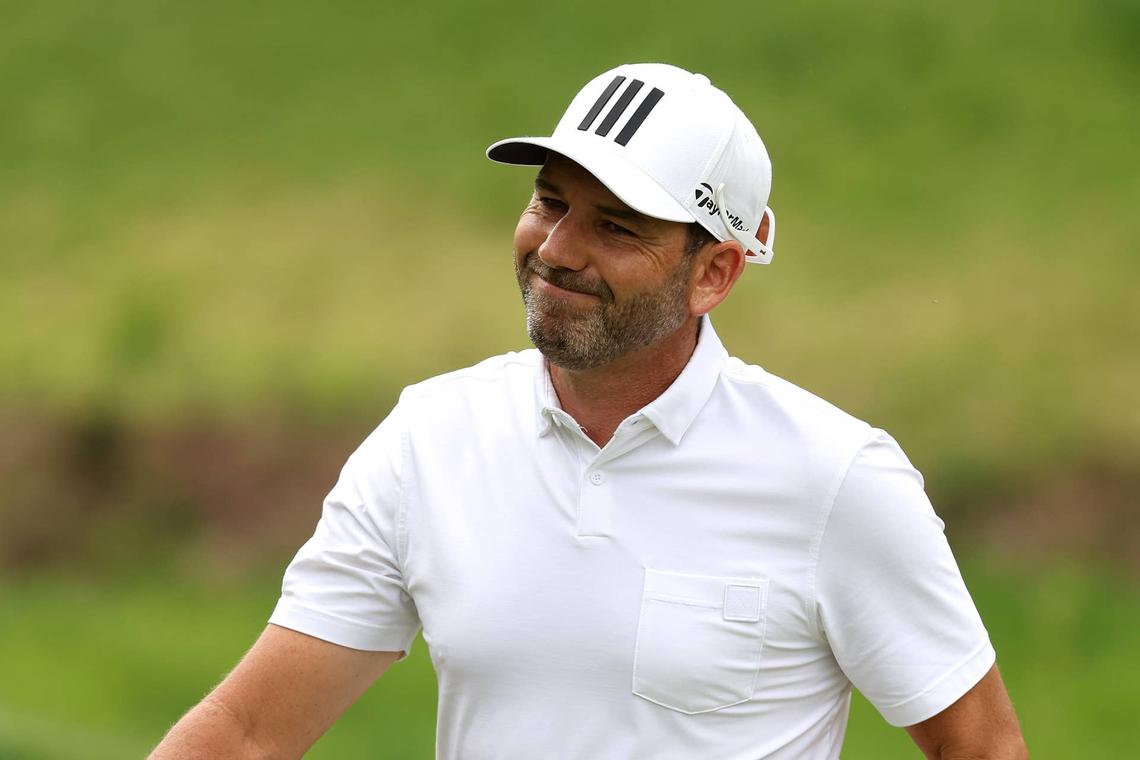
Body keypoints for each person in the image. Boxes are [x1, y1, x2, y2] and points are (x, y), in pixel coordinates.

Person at [150, 63, 1027, 759]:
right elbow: (248, 735)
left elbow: (980, 745)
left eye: (616, 225)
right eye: (550, 201)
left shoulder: (836, 476)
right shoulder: (431, 438)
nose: (557, 250)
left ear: (715, 273)